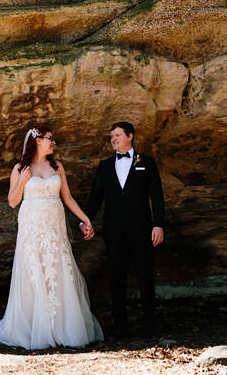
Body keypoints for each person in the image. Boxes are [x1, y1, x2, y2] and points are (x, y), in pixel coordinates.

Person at [0, 126, 103, 349]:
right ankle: (35, 328)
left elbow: (68, 198)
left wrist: (86, 219)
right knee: (34, 271)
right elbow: (13, 201)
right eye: (50, 139)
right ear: (37, 141)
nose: (53, 143)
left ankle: (62, 328)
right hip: (32, 228)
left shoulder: (57, 167)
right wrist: (23, 181)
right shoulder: (20, 168)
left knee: (57, 270)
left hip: (55, 228)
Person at [82, 121, 165, 339]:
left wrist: (158, 224)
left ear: (130, 136)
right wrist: (84, 221)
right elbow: (95, 199)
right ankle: (120, 327)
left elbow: (156, 196)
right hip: (114, 232)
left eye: (118, 135)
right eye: (111, 136)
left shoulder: (146, 162)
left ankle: (150, 326)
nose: (113, 139)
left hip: (142, 230)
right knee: (116, 279)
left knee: (146, 278)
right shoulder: (106, 165)